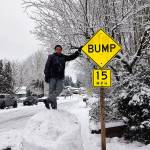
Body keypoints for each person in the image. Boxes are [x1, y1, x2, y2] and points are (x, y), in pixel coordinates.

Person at [44, 45, 82, 109]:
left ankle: (48, 100)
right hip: (52, 76)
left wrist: (78, 52)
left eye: (59, 49)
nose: (58, 50)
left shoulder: (63, 57)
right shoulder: (51, 57)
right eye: (57, 49)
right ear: (55, 50)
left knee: (60, 89)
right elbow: (47, 66)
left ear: (61, 50)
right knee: (51, 91)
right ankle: (53, 107)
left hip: (60, 77)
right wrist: (46, 76)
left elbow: (71, 57)